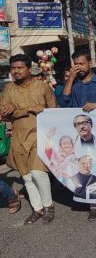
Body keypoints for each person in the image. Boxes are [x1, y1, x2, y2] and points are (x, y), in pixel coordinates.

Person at [0, 54, 57, 225]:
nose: (16, 71)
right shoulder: (8, 89)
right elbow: (4, 113)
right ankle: (37, 209)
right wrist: (25, 110)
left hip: (39, 134)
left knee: (38, 173)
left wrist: (41, 110)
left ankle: (49, 207)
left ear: (28, 68)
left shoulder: (42, 87)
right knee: (26, 176)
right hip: (18, 136)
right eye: (13, 68)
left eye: (20, 68)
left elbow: (54, 110)